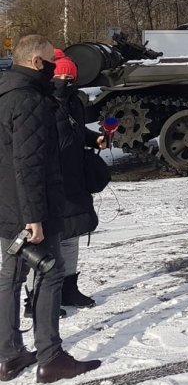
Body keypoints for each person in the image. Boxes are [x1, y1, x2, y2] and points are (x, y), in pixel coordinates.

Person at [0, 35, 100, 384]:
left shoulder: (5, 91)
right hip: (31, 209)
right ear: (36, 62)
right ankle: (51, 357)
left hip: (7, 204)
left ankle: (9, 355)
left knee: (10, 277)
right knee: (50, 273)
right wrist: (34, 218)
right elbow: (28, 164)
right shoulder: (29, 100)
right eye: (50, 62)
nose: (55, 69)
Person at [50, 50, 102, 309]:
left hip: (74, 178)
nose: (66, 82)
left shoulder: (73, 102)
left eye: (70, 77)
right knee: (48, 242)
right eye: (61, 77)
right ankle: (36, 297)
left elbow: (76, 130)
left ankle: (69, 288)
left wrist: (95, 139)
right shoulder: (42, 103)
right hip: (51, 179)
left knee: (72, 235)